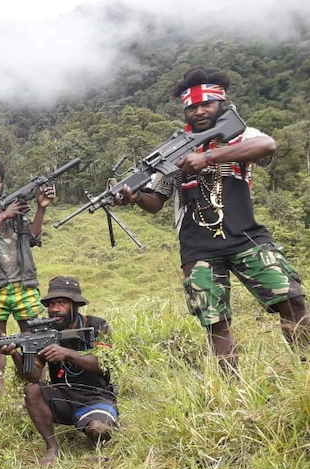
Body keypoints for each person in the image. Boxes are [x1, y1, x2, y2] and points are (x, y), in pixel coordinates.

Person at [113, 66, 308, 370]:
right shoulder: (172, 152)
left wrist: (207, 157)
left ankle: (305, 366)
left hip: (247, 236)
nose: (200, 111)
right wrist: (134, 197)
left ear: (221, 103)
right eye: (193, 106)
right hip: (198, 247)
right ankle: (233, 392)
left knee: (292, 299)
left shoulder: (241, 135)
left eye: (207, 104)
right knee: (215, 321)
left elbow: (267, 146)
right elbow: (157, 201)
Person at [1, 276, 117, 466]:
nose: (55, 308)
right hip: (61, 395)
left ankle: (95, 427)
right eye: (52, 304)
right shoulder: (42, 331)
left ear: (75, 305)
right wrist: (15, 353)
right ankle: (52, 448)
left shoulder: (97, 325)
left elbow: (105, 363)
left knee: (98, 430)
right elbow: (33, 375)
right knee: (32, 390)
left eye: (62, 303)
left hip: (97, 396)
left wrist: (68, 354)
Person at [0, 159, 55, 395]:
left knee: (34, 335)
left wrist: (42, 208)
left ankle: (38, 384)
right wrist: (4, 215)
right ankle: (1, 389)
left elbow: (33, 238)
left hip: (24, 283)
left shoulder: (18, 209)